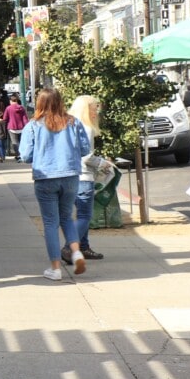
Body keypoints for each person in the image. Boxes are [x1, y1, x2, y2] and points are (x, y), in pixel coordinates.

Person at [18, 88, 92, 281]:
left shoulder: (33, 125)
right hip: (70, 176)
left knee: (50, 222)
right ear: (60, 102)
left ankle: (55, 268)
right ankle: (76, 252)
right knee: (66, 217)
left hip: (45, 177)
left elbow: (25, 155)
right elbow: (85, 149)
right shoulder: (73, 122)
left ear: (39, 103)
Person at [66, 95, 107, 265]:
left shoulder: (70, 125)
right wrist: (103, 163)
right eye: (94, 107)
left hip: (70, 176)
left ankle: (83, 246)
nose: (96, 111)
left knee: (79, 214)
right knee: (84, 216)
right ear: (86, 109)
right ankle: (70, 247)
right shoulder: (86, 128)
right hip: (84, 175)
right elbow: (86, 157)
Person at [3, 93, 29, 158]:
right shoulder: (22, 108)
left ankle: (18, 155)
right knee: (21, 142)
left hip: (12, 127)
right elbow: (25, 118)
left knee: (15, 142)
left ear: (10, 101)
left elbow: (5, 118)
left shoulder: (8, 108)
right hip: (21, 128)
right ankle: (22, 154)